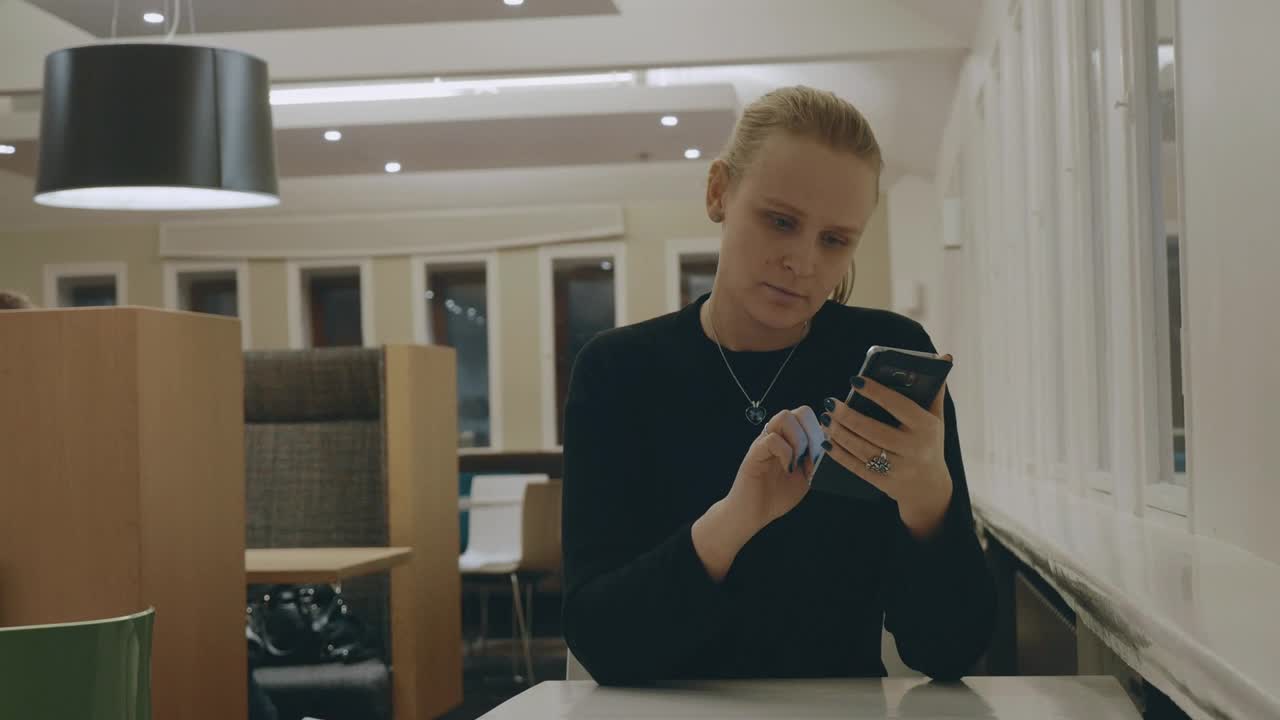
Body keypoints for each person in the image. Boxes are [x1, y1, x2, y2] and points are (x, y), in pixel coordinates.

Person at [561, 86, 996, 686]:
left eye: (835, 239)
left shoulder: (884, 356)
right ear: (719, 192)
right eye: (781, 221)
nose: (804, 261)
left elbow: (950, 651)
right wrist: (735, 520)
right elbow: (600, 641)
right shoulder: (620, 372)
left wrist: (929, 500)